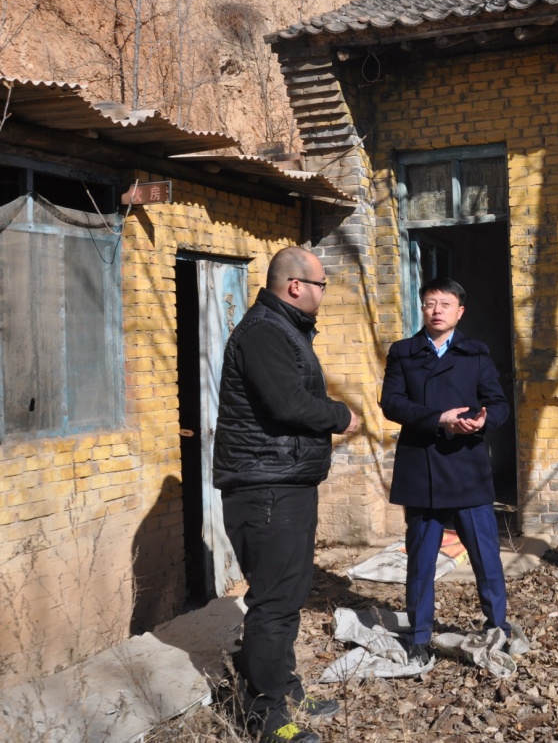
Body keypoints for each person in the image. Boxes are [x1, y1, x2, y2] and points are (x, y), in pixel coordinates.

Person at [213, 246, 360, 743]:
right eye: (321, 285)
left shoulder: (283, 329)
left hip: (285, 482)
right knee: (274, 601)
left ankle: (283, 687)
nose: (323, 294)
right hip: (266, 487)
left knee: (289, 595)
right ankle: (263, 713)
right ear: (296, 286)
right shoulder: (264, 332)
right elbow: (287, 403)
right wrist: (340, 415)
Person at [380, 277, 512, 664]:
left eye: (445, 304)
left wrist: (484, 420)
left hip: (466, 468)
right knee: (421, 560)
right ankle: (419, 636)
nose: (436, 310)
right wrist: (438, 419)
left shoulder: (475, 353)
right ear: (422, 308)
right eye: (429, 303)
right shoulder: (404, 352)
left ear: (460, 311)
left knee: (485, 557)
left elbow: (498, 403)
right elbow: (392, 403)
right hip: (422, 470)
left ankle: (498, 628)